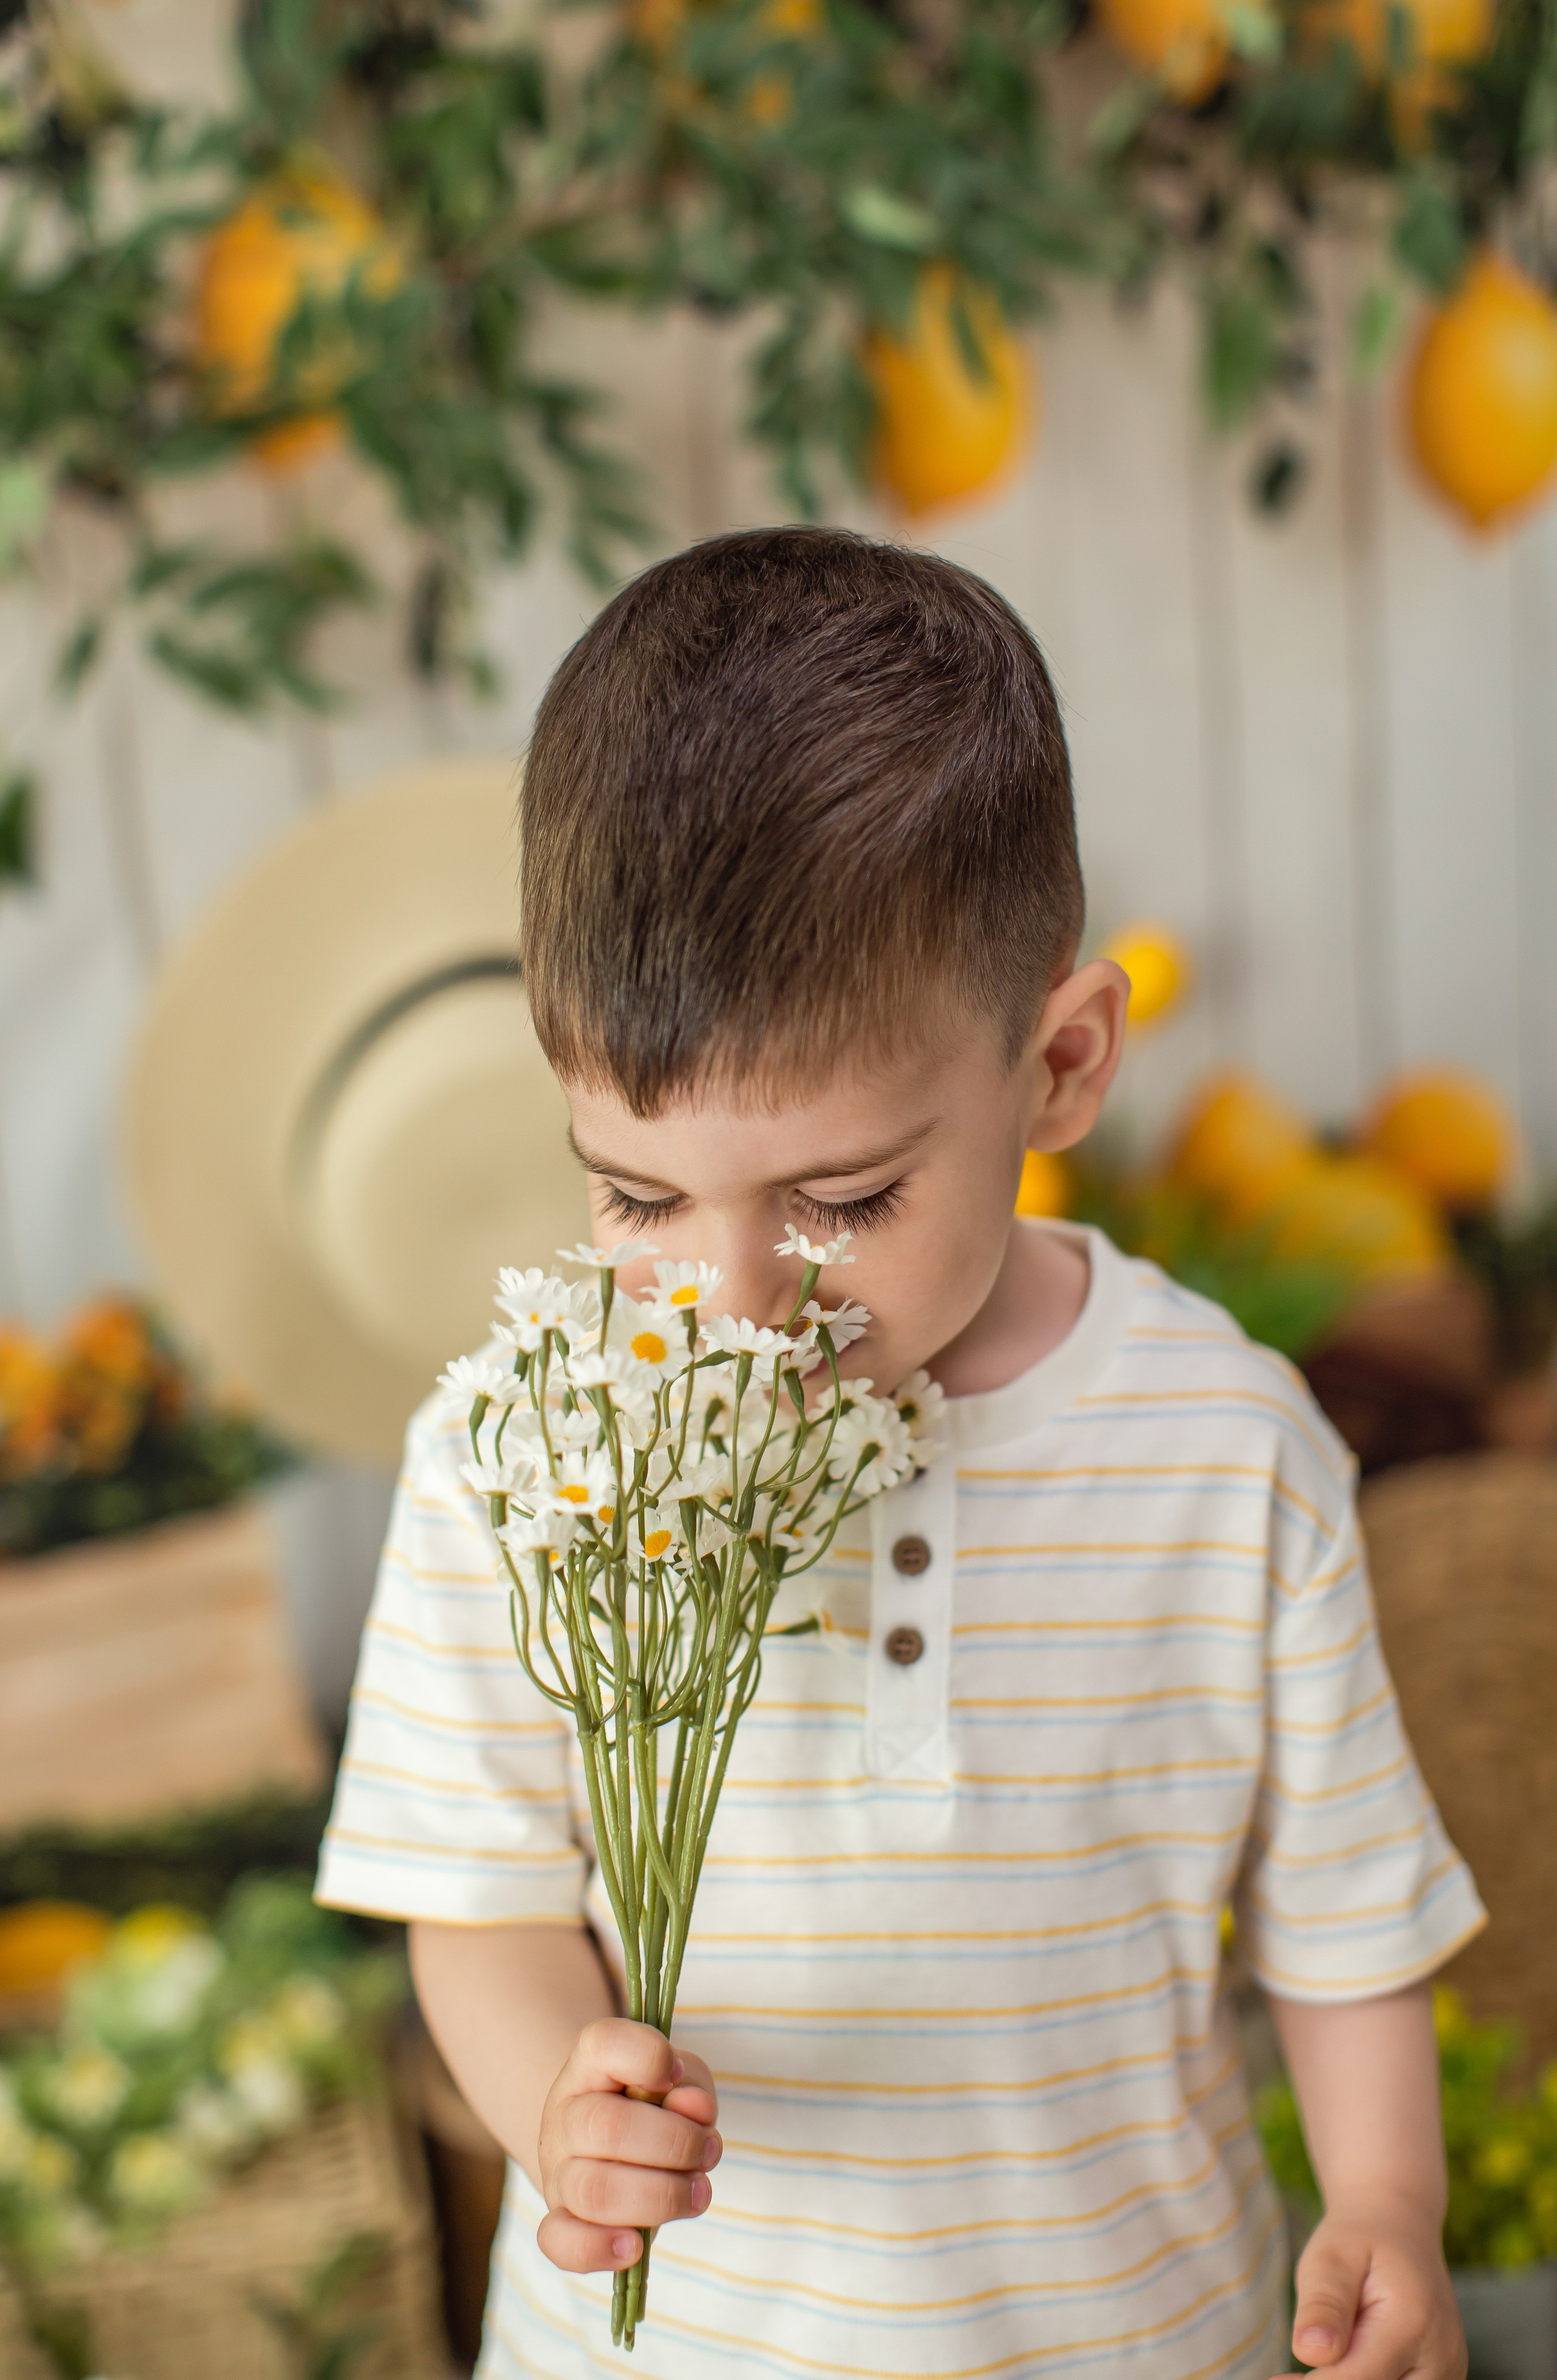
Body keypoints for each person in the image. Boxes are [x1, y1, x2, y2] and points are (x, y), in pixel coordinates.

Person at [316, 527, 1483, 2380]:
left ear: (1063, 1064)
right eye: (635, 1193)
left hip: (1138, 2336)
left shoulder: (1226, 1449)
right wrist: (559, 2094)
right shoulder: (524, 1453)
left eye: (846, 1196)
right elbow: (478, 1901)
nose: (736, 1292)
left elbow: (1343, 1925)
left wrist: (1388, 2209)